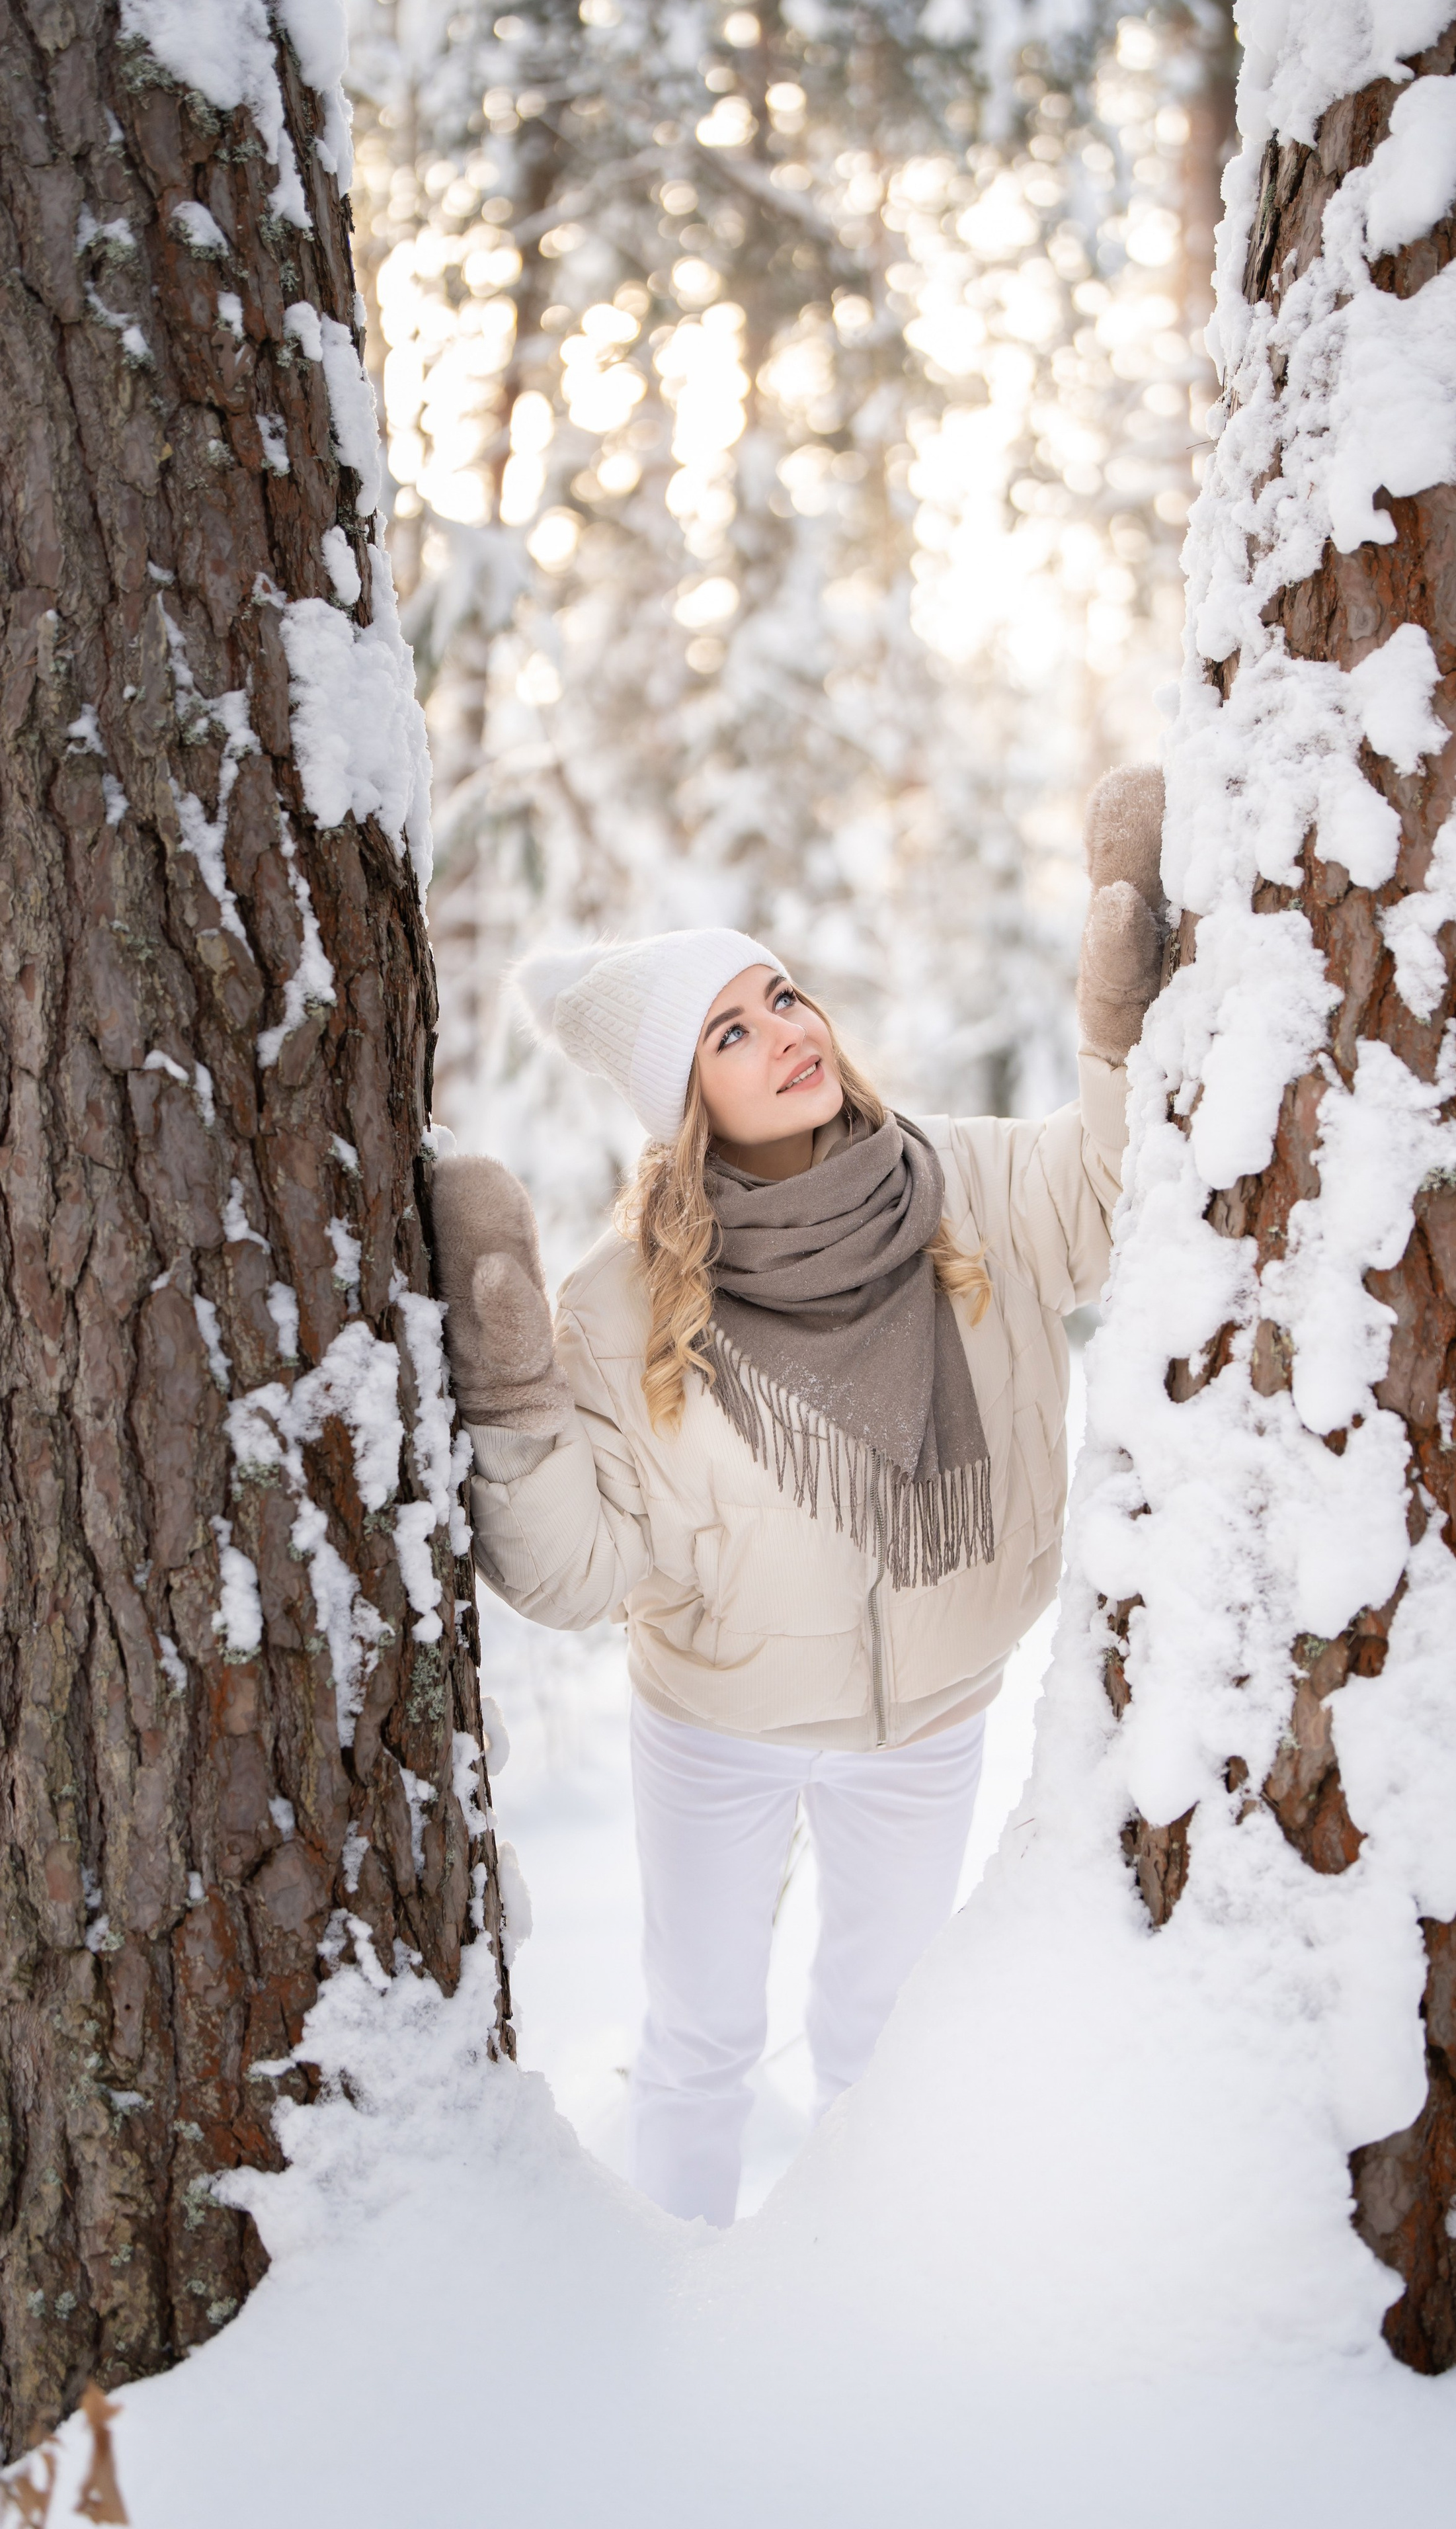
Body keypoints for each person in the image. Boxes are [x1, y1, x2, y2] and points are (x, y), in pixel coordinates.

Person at [428, 767, 1166, 2227]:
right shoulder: (624, 1306)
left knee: (880, 2044)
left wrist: (1117, 1030)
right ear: (680, 1098)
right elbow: (571, 1571)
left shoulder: (960, 1182)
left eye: (783, 999)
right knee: (698, 2041)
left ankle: (854, 2313)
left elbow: (1116, 1190)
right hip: (717, 1729)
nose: (783, 1034)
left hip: (931, 1716)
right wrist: (514, 1392)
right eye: (731, 1030)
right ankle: (681, 2313)